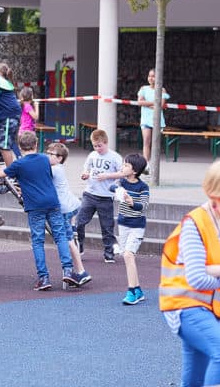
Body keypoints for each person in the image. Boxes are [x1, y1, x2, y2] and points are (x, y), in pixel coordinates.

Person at [160, 159, 220, 387]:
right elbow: (196, 278)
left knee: (195, 380)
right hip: (184, 306)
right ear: (215, 192)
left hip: (209, 310)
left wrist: (219, 270)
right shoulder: (194, 223)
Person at [0, 131, 75, 291]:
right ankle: (68, 269)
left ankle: (43, 277)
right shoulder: (45, 159)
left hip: (35, 205)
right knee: (60, 236)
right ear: (36, 144)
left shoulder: (19, 164)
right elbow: (51, 168)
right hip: (52, 201)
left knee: (38, 241)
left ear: (20, 146)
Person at [44, 143, 91, 286]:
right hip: (71, 205)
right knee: (69, 238)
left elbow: (40, 175)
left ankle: (81, 271)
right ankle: (79, 269)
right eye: (48, 153)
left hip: (64, 208)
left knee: (67, 241)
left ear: (60, 158)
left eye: (51, 154)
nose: (48, 156)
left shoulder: (56, 169)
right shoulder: (58, 168)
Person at [74, 129, 124, 263]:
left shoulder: (115, 157)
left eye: (99, 146)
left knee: (107, 227)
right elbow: (86, 168)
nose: (97, 148)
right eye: (95, 146)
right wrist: (84, 174)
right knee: (79, 222)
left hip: (106, 196)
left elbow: (123, 173)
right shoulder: (92, 155)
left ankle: (109, 253)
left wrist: (108, 175)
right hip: (89, 194)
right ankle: (79, 246)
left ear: (106, 143)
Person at [112, 153, 150, 305]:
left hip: (137, 227)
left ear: (134, 171)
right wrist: (118, 190)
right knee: (126, 256)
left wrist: (130, 201)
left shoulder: (143, 187)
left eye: (126, 165)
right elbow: (112, 186)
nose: (123, 167)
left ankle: (132, 291)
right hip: (123, 224)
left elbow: (143, 206)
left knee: (128, 255)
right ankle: (138, 290)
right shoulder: (121, 182)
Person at [138, 68, 171, 162]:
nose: (150, 78)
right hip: (146, 120)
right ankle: (145, 165)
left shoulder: (162, 89)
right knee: (146, 142)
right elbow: (140, 102)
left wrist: (149, 104)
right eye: (149, 76)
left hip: (157, 120)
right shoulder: (143, 88)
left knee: (155, 143)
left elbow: (161, 105)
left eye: (153, 76)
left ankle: (155, 164)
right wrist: (153, 104)